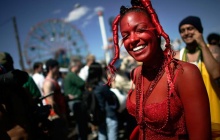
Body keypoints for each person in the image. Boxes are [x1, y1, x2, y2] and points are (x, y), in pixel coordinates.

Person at [106, 0, 211, 139]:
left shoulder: (184, 73)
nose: (132, 40)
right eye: (125, 36)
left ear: (156, 30)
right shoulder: (136, 74)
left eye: (141, 30)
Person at [174, 16, 220, 135]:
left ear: (199, 30)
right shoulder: (177, 56)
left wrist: (202, 44)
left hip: (213, 111)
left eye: (190, 28)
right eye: (182, 30)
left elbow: (216, 73)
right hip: (188, 117)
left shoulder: (213, 50)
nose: (186, 33)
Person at [63, 57, 89, 140]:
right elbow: (82, 83)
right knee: (82, 123)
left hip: (73, 102)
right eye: (79, 66)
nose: (80, 67)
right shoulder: (72, 75)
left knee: (79, 123)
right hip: (76, 101)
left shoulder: (69, 75)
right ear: (75, 66)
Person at [43, 58, 68, 140]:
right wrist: (61, 116)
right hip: (55, 116)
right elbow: (51, 102)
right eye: (57, 68)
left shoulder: (53, 81)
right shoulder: (48, 83)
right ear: (50, 68)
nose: (58, 70)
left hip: (59, 115)